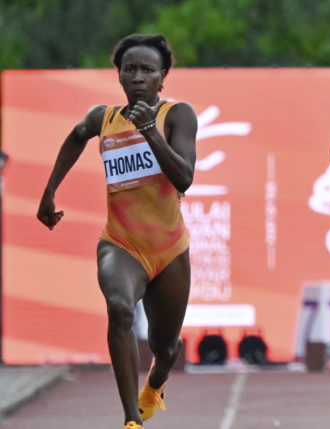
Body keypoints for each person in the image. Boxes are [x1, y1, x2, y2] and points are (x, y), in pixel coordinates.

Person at [37, 34, 197, 429]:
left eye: (147, 70)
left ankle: (154, 386)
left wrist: (150, 132)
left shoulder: (177, 115)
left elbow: (185, 178)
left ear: (163, 77)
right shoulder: (102, 118)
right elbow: (76, 137)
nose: (138, 77)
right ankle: (131, 421)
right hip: (120, 243)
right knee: (120, 309)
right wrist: (49, 190)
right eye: (130, 69)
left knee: (167, 346)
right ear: (120, 77)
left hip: (170, 247)